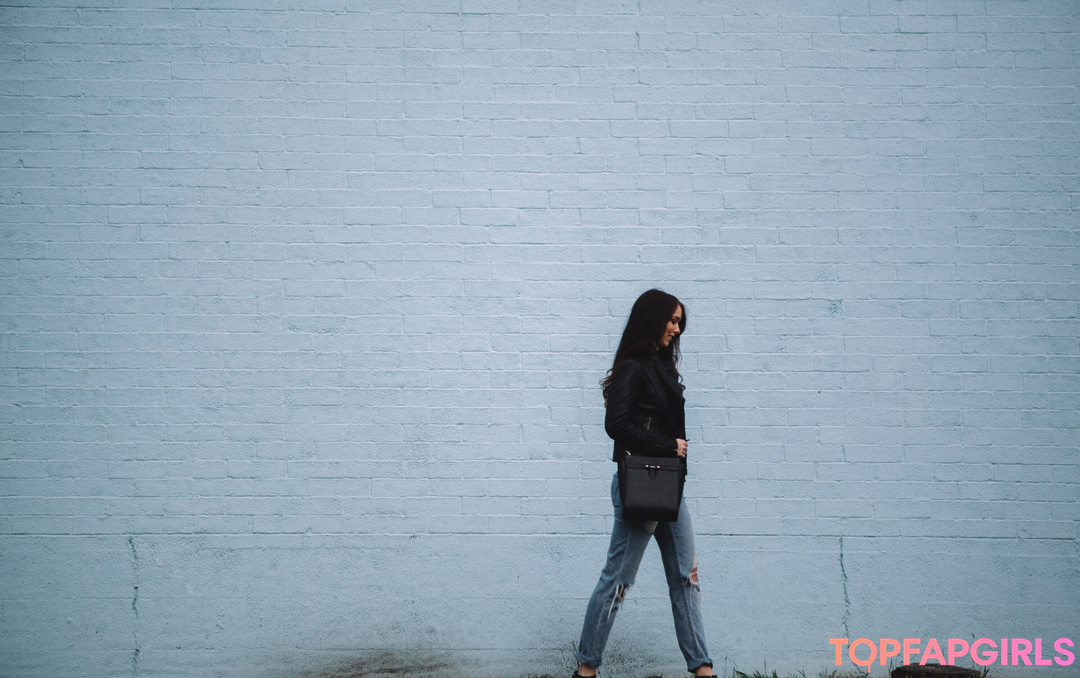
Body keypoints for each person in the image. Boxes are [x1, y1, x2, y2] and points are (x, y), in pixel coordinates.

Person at [572, 289, 715, 678]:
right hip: (642, 486)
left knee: (686, 579)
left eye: (680, 322)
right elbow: (616, 424)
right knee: (618, 580)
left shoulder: (661, 368)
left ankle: (703, 669)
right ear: (653, 320)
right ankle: (586, 670)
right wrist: (669, 445)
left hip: (669, 488)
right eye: (672, 320)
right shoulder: (635, 367)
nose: (677, 329)